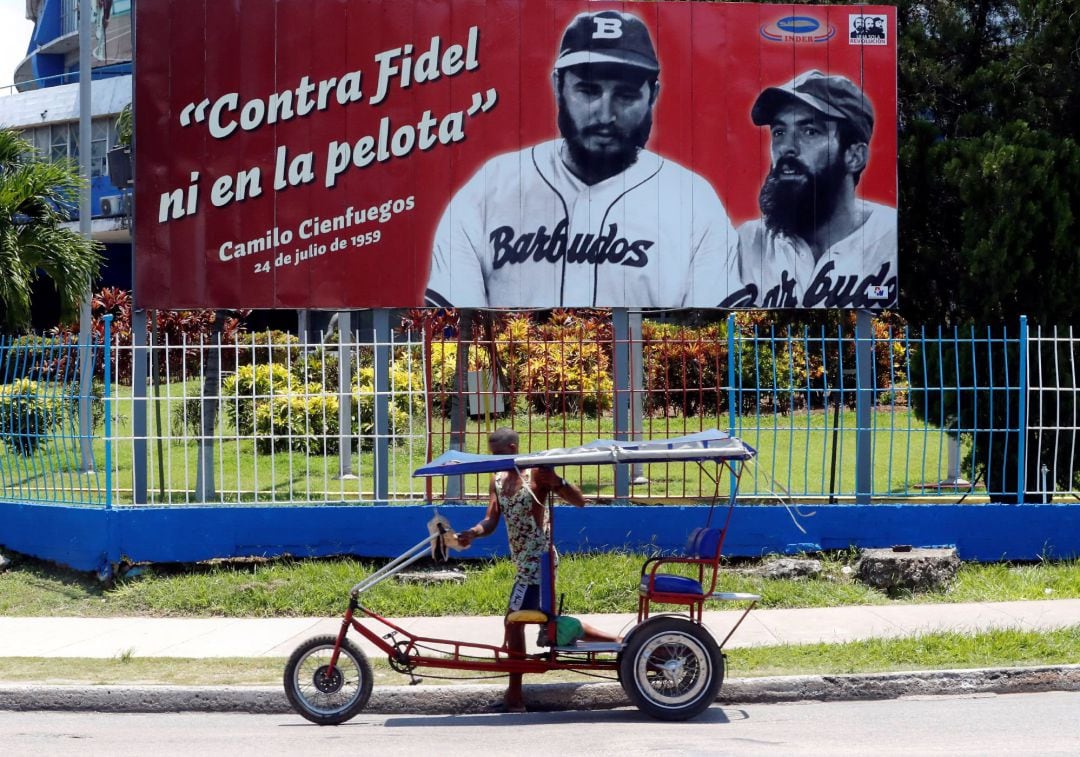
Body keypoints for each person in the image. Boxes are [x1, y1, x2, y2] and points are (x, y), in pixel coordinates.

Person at [425, 10, 737, 308]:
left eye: (626, 95)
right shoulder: (493, 187)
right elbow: (456, 325)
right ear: (558, 87)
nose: (605, 115)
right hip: (511, 365)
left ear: (652, 95)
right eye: (588, 91)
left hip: (647, 366)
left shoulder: (692, 200)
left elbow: (711, 334)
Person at [455, 428, 620, 712]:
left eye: (499, 454)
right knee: (548, 627)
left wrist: (558, 481)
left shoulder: (537, 474)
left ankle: (515, 697)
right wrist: (473, 532)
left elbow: (579, 501)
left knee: (513, 622)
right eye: (492, 455)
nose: (495, 460)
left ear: (513, 447)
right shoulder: (497, 479)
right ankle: (620, 643)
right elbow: (491, 519)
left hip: (539, 561)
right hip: (523, 563)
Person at [721, 70, 897, 309]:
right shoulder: (748, 243)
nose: (787, 148)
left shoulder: (892, 240)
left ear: (855, 156)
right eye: (780, 132)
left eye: (810, 131)